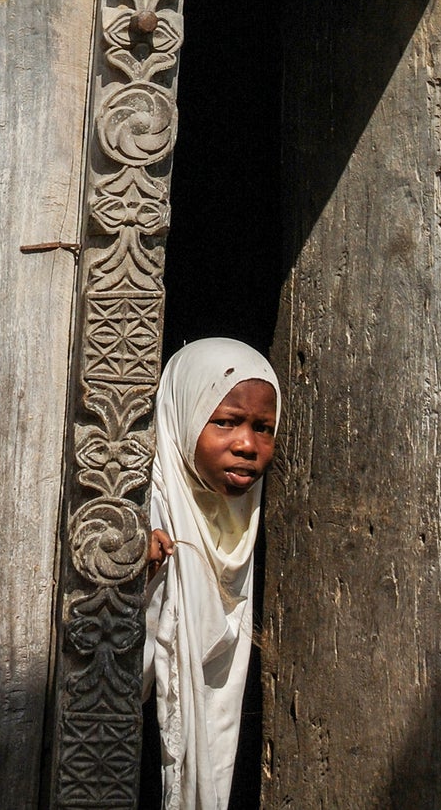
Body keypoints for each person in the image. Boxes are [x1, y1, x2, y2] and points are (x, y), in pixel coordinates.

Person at [142, 338, 281, 810]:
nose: (246, 445)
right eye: (225, 422)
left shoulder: (245, 521)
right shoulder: (144, 506)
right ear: (183, 417)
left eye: (264, 428)